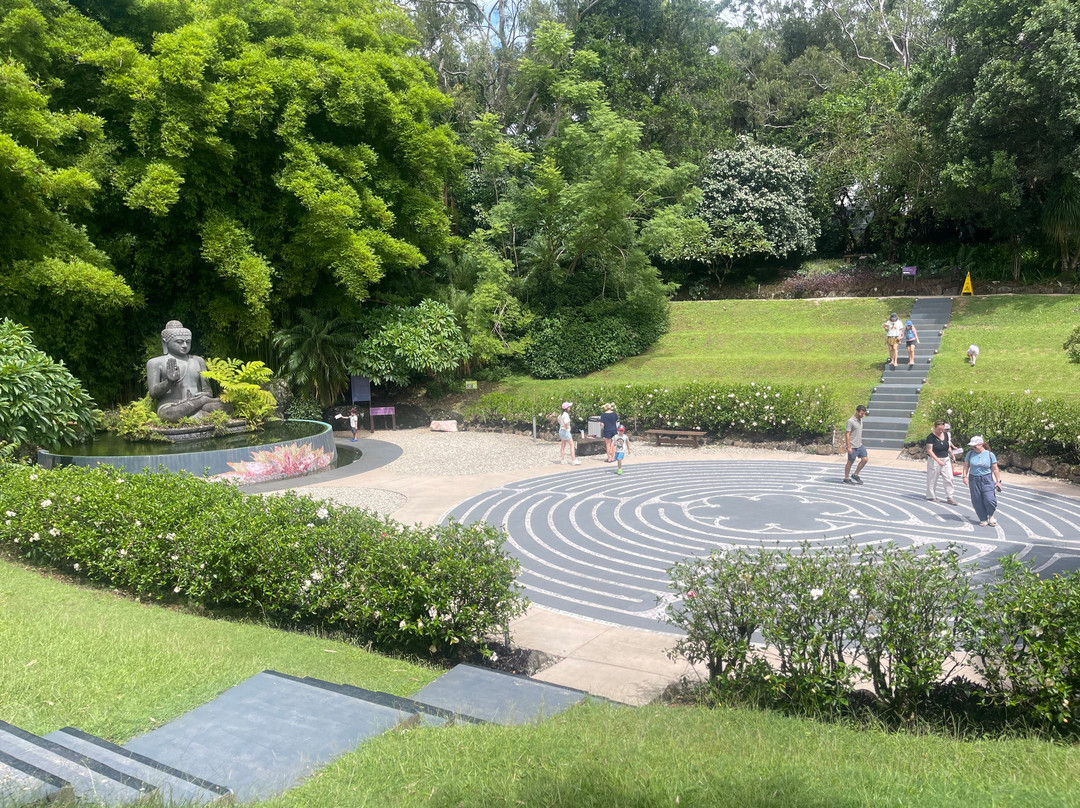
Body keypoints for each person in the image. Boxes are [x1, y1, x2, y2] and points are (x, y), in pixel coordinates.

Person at [146, 320, 228, 422]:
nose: (185, 345)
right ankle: (200, 415)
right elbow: (153, 393)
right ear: (165, 342)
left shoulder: (198, 361)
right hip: (172, 406)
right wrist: (169, 382)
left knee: (226, 407)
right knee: (171, 414)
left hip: (200, 403)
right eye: (179, 342)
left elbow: (208, 392)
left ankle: (197, 415)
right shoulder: (155, 363)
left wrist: (205, 395)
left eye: (188, 342)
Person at [963, 435, 1003, 527]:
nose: (973, 448)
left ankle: (991, 515)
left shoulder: (990, 455)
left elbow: (995, 469)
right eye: (972, 446)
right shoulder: (969, 454)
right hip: (974, 479)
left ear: (981, 444)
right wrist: (964, 476)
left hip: (987, 479)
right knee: (977, 500)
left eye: (975, 446)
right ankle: (982, 518)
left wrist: (998, 481)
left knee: (990, 499)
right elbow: (966, 466)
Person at [925, 420, 959, 504]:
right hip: (934, 459)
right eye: (939, 429)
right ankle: (931, 495)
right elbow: (929, 450)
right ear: (935, 428)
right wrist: (938, 460)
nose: (941, 431)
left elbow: (948, 446)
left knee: (949, 477)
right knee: (932, 478)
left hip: (945, 458)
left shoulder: (946, 435)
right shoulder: (930, 437)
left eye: (942, 429)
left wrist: (952, 455)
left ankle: (949, 496)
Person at [843, 405, 868, 484]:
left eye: (863, 414)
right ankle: (846, 478)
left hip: (859, 445)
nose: (862, 415)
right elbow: (847, 434)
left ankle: (855, 474)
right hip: (852, 445)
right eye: (861, 413)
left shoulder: (860, 420)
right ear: (857, 411)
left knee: (865, 459)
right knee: (850, 462)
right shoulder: (850, 421)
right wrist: (849, 447)